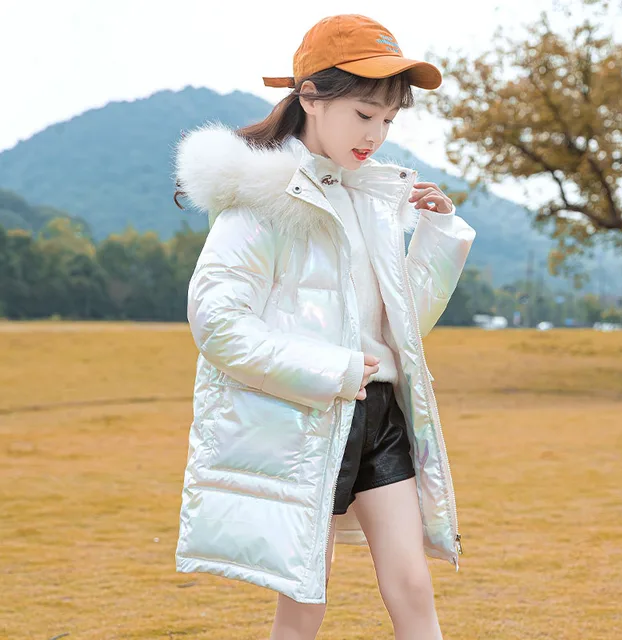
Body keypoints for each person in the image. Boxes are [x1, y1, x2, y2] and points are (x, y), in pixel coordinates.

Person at [173, 13, 476, 640]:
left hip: (380, 413)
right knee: (305, 596)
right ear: (310, 96)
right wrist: (332, 371)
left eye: (388, 120)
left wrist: (438, 235)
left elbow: (402, 327)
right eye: (364, 113)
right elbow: (217, 323)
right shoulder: (260, 201)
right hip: (308, 418)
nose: (376, 134)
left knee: (412, 585)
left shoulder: (373, 199)